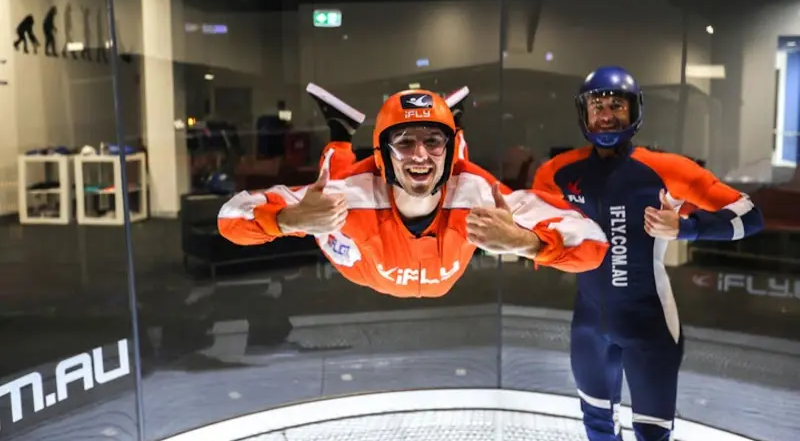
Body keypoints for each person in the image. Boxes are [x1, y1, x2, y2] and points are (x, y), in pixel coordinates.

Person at [532, 66, 764, 441]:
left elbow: (751, 216)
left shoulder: (667, 169)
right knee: (598, 430)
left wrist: (687, 228)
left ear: (635, 109)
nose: (606, 115)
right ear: (583, 113)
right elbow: (533, 225)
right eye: (597, 106)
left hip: (650, 327)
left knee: (653, 437)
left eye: (616, 105)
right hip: (588, 327)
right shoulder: (557, 172)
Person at [218, 83, 609, 298]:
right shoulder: (351, 194)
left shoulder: (480, 195)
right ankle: (339, 135)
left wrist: (526, 242)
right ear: (383, 153)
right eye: (405, 142)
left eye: (433, 141)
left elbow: (593, 242)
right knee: (332, 185)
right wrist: (290, 219)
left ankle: (447, 126)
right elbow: (230, 217)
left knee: (456, 171)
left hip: (442, 250)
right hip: (363, 267)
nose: (419, 155)